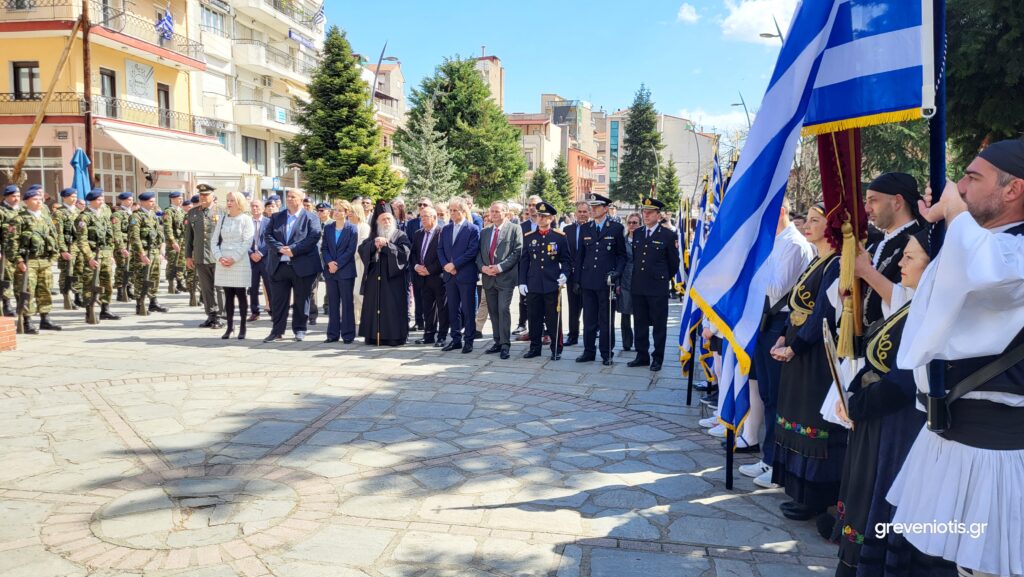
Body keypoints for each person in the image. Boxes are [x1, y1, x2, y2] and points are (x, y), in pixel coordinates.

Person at [886, 139, 1024, 577]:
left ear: (1013, 189)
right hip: (954, 432)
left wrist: (956, 214)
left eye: (972, 177)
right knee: (965, 566)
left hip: (994, 445)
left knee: (991, 568)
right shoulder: (984, 240)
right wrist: (941, 221)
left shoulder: (1011, 249)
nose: (960, 187)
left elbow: (990, 275)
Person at [834, 227, 956, 577]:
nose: (901, 263)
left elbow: (902, 381)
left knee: (882, 499)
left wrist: (857, 404)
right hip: (878, 419)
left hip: (897, 427)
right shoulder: (915, 303)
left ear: (933, 266)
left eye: (910, 257)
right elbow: (879, 355)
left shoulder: (933, 311)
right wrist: (852, 392)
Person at [768, 203, 845, 522]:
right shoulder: (817, 259)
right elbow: (795, 305)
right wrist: (783, 337)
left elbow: (822, 314)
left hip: (815, 357)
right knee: (793, 416)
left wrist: (795, 346)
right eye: (808, 219)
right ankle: (796, 489)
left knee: (811, 422)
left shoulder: (836, 264)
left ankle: (812, 496)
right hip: (797, 349)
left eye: (816, 220)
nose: (807, 225)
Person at [739, 197, 815, 487]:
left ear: (781, 211)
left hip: (779, 323)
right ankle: (768, 457)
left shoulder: (793, 244)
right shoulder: (775, 242)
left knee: (777, 397)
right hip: (764, 321)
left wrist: (750, 270)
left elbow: (777, 288)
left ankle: (776, 462)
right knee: (767, 394)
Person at [860, 173, 922, 330]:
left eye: (873, 200)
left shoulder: (920, 243)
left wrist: (866, 271)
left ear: (897, 202)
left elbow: (910, 303)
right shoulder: (875, 245)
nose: (867, 209)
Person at [262, 188, 321, 342]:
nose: (289, 199)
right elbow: (267, 235)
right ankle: (277, 331)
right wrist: (280, 248)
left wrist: (293, 249)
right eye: (288, 196)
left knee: (301, 300)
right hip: (279, 266)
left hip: (302, 266)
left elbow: (313, 237)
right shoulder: (277, 217)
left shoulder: (311, 218)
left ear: (301, 199)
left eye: (292, 196)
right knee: (278, 301)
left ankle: (300, 329)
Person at [629, 197, 681, 372]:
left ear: (658, 215)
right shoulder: (637, 233)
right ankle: (641, 355)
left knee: (659, 325)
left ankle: (657, 358)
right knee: (640, 323)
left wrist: (662, 278)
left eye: (650, 212)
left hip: (657, 287)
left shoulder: (668, 235)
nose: (646, 215)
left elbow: (674, 263)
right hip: (639, 285)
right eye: (644, 212)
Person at [575, 194, 626, 366]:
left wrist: (617, 273)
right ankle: (588, 351)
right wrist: (577, 280)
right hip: (588, 280)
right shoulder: (586, 228)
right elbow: (580, 256)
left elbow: (621, 255)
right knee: (588, 319)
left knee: (606, 320)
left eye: (597, 207)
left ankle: (606, 353)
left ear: (605, 209)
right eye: (592, 206)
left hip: (606, 282)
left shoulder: (616, 228)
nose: (593, 209)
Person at [5, 184, 62, 332]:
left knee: (45, 289)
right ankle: (27, 321)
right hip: (28, 261)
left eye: (40, 199)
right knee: (26, 291)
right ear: (26, 202)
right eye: (35, 199)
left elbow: (54, 238)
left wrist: (52, 258)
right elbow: (11, 243)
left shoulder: (45, 218)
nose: (39, 202)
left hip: (44, 260)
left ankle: (45, 319)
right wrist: (18, 261)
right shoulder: (19, 220)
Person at [518, 201, 570, 360]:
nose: (540, 218)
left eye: (544, 216)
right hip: (533, 283)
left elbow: (566, 260)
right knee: (534, 318)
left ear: (551, 218)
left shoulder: (559, 237)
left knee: (553, 318)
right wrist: (522, 282)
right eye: (539, 216)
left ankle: (556, 348)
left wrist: (564, 274)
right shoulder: (529, 237)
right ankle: (535, 347)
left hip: (551, 283)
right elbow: (524, 261)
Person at [357, 208, 412, 346]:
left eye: (389, 219)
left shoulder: (400, 235)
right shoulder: (373, 235)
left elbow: (405, 254)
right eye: (383, 219)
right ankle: (372, 337)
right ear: (378, 222)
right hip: (374, 279)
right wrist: (373, 245)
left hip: (393, 281)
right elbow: (362, 249)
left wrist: (387, 245)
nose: (386, 222)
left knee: (392, 308)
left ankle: (393, 337)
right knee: (373, 305)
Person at [477, 201, 523, 360]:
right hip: (488, 277)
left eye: (497, 211)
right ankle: (497, 341)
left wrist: (500, 267)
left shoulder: (514, 229)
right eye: (492, 211)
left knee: (503, 308)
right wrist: (483, 268)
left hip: (505, 278)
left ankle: (505, 344)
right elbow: (478, 254)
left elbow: (517, 251)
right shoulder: (485, 232)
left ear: (506, 213)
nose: (494, 214)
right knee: (493, 310)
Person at [438, 197, 480, 354]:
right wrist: (446, 266)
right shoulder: (446, 229)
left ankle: (468, 340)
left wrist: (455, 265)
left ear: (463, 211)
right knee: (453, 308)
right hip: (450, 275)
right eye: (450, 210)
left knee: (468, 310)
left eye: (455, 210)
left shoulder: (472, 229)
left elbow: (472, 251)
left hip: (465, 275)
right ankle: (455, 339)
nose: (452, 213)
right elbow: (440, 249)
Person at [212, 191, 255, 339]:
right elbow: (214, 240)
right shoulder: (223, 219)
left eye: (232, 200)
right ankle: (230, 327)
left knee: (241, 294)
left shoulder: (246, 219)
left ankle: (243, 326)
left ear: (239, 202)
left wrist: (234, 258)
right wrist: (219, 257)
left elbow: (247, 242)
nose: (229, 203)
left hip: (239, 261)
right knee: (228, 295)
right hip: (223, 261)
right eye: (228, 200)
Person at [75, 188, 120, 323]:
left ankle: (105, 309)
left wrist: (110, 254)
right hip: (92, 254)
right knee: (90, 284)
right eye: (99, 199)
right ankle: (89, 311)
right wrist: (89, 257)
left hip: (105, 254)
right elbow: (82, 241)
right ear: (92, 201)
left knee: (107, 283)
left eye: (102, 199)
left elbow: (110, 236)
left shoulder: (104, 214)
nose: (102, 201)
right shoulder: (84, 217)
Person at [184, 184, 224, 328]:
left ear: (213, 196)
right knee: (206, 288)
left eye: (206, 195)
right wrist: (188, 256)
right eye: (201, 195)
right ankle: (211, 315)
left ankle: (221, 316)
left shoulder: (222, 211)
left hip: (218, 257)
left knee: (220, 288)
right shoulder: (193, 212)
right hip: (200, 256)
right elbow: (189, 236)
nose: (203, 197)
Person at [321, 199, 359, 344]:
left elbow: (350, 250)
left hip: (345, 271)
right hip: (330, 271)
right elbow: (324, 248)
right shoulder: (328, 228)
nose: (336, 213)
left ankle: (348, 334)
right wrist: (329, 263)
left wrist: (337, 264)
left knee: (347, 303)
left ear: (346, 213)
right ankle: (332, 334)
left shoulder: (352, 229)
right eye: (335, 210)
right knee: (333, 303)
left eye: (340, 210)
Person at [411, 206, 449, 347]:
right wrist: (416, 266)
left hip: (438, 277)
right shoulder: (418, 233)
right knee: (427, 308)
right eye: (421, 216)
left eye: (426, 216)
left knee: (442, 308)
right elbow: (413, 253)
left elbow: (444, 256)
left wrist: (429, 270)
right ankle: (428, 335)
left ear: (434, 217)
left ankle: (442, 336)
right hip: (422, 277)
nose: (423, 219)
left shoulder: (442, 233)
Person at [128, 192, 168, 315]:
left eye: (153, 201)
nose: (153, 203)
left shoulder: (153, 215)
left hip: (154, 251)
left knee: (154, 277)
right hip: (144, 252)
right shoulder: (136, 216)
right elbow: (134, 237)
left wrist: (161, 252)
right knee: (141, 278)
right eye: (151, 201)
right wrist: (141, 254)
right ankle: (140, 304)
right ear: (143, 202)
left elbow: (159, 234)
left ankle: (153, 302)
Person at [563, 201, 591, 346]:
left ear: (589, 213)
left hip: (589, 274)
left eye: (585, 211)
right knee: (573, 307)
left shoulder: (593, 229)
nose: (582, 214)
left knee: (589, 307)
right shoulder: (567, 230)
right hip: (572, 274)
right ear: (575, 213)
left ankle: (589, 335)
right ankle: (572, 335)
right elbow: (565, 253)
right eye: (579, 211)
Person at [52, 187, 82, 309]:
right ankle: (66, 297)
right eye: (72, 196)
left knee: (79, 271)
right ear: (64, 197)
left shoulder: (79, 211)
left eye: (75, 196)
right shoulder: (59, 213)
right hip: (67, 247)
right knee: (66, 273)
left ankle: (78, 296)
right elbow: (57, 233)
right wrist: (63, 250)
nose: (74, 199)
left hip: (79, 246)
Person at [618, 214, 641, 352]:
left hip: (640, 279)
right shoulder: (622, 241)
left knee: (639, 314)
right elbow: (618, 261)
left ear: (640, 224)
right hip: (625, 279)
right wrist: (618, 283)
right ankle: (626, 342)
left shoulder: (644, 239)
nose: (632, 225)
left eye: (635, 222)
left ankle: (639, 343)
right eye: (630, 222)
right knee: (625, 313)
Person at [406, 197, 429, 330]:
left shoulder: (439, 224)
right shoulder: (411, 224)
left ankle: (430, 322)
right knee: (418, 295)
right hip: (416, 266)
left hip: (430, 268)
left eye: (425, 204)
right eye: (420, 204)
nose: (422, 206)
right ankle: (419, 322)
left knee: (430, 296)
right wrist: (415, 264)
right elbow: (409, 244)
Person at [248, 199, 271, 322]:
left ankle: (273, 310)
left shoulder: (269, 222)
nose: (255, 208)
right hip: (251, 259)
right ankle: (255, 311)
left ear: (262, 208)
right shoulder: (247, 222)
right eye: (252, 206)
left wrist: (261, 253)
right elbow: (243, 240)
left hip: (265, 258)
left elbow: (271, 240)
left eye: (257, 206)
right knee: (253, 287)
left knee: (269, 285)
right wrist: (251, 253)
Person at [0, 184, 21, 317]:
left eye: (18, 196)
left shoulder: (22, 210)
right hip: (6, 251)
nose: (16, 198)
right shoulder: (2, 211)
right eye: (13, 196)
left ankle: (20, 303)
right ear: (6, 197)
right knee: (6, 278)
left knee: (20, 277)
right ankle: (7, 304)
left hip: (20, 251)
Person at [350, 200, 371, 326]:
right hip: (347, 264)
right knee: (350, 294)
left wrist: (347, 258)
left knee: (358, 293)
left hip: (359, 264)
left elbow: (361, 246)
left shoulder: (364, 227)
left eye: (352, 212)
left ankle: (364, 320)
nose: (349, 214)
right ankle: (353, 320)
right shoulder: (347, 226)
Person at [163, 191, 187, 295]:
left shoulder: (181, 211)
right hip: (173, 242)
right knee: (172, 263)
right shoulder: (168, 211)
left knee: (181, 262)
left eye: (181, 198)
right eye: (179, 198)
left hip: (182, 241)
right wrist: (172, 242)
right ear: (172, 199)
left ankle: (180, 282)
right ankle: (171, 285)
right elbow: (167, 228)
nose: (181, 200)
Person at [112, 192, 134, 302]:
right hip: (123, 245)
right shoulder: (117, 215)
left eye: (132, 199)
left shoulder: (132, 213)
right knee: (121, 268)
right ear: (122, 201)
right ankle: (120, 291)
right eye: (129, 199)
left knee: (130, 268)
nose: (131, 201)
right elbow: (116, 232)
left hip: (132, 245)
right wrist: (121, 247)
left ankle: (129, 289)